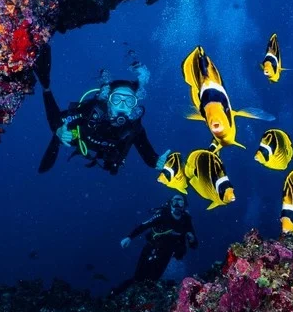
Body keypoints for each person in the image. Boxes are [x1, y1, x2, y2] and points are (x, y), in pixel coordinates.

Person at [33, 44, 169, 175]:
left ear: (134, 105)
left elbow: (147, 152)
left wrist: (156, 162)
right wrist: (59, 129)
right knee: (60, 133)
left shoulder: (134, 127)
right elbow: (58, 118)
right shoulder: (94, 110)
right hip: (80, 139)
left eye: (129, 101)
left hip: (106, 155)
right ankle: (46, 86)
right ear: (109, 101)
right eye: (117, 99)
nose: (122, 105)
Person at [113, 195, 198, 293]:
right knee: (138, 278)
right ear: (170, 203)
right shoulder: (162, 215)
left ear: (185, 205)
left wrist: (192, 239)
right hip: (151, 248)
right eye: (175, 201)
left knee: (153, 280)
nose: (177, 204)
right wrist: (129, 237)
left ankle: (146, 298)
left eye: (181, 201)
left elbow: (194, 245)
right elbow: (144, 225)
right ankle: (118, 293)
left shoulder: (186, 220)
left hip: (167, 254)